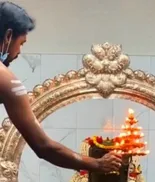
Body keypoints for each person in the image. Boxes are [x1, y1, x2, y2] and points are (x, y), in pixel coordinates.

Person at [0, 1, 122, 173]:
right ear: (8, 36)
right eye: (21, 43)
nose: (19, 52)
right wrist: (97, 164)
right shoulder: (5, 79)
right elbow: (44, 146)